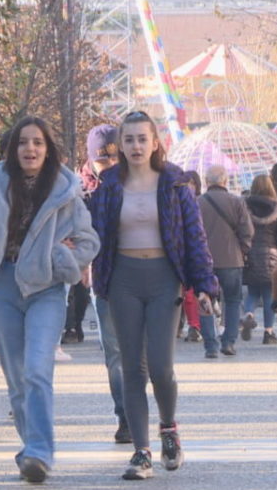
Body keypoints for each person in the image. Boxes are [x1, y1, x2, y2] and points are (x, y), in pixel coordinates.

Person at [0, 116, 100, 483]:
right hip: (1, 287)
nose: (30, 149)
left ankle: (39, 451)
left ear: (48, 149)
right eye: (23, 142)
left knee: (37, 369)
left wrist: (60, 258)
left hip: (45, 289)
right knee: (18, 378)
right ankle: (32, 448)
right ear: (12, 149)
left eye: (37, 142)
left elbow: (88, 241)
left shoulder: (66, 188)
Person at [90, 110, 219, 480]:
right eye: (128, 139)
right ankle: (141, 452)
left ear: (155, 143)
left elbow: (194, 238)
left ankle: (168, 428)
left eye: (142, 139)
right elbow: (94, 231)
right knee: (133, 368)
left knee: (161, 367)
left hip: (164, 279)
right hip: (123, 280)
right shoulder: (108, 184)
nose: (135, 146)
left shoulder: (175, 184)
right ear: (120, 144)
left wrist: (204, 286)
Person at [80, 122, 131, 443]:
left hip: (140, 276)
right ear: (91, 159)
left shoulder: (139, 184)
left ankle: (141, 411)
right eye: (103, 159)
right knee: (115, 352)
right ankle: (125, 416)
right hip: (105, 281)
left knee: (140, 354)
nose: (110, 164)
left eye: (115, 157)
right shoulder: (81, 192)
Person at [198, 164, 254, 357]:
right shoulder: (237, 202)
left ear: (206, 182)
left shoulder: (198, 203)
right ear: (225, 181)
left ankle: (210, 345)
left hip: (203, 261)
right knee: (232, 300)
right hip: (232, 259)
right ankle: (229, 342)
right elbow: (248, 231)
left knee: (205, 301)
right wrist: (242, 250)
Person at [242, 174, 277, 345]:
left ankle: (248, 314)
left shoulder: (245, 206)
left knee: (252, 292)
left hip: (251, 254)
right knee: (269, 293)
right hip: (272, 255)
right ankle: (268, 332)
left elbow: (241, 230)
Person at [181, 170, 204, 343]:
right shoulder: (179, 201)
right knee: (187, 294)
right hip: (184, 252)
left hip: (197, 251)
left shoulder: (200, 203)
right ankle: (193, 325)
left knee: (196, 293)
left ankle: (197, 326)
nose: (189, 187)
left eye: (192, 183)